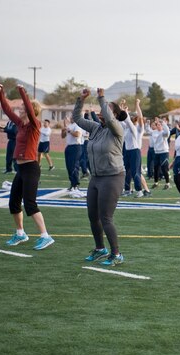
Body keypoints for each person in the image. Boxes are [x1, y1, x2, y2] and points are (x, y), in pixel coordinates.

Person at [0, 83, 54, 250]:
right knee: (14, 203)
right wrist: (1, 93)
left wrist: (22, 92)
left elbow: (29, 108)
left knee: (30, 203)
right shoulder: (20, 124)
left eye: (21, 107)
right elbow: (7, 110)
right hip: (21, 169)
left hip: (30, 168)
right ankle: (20, 233)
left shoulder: (35, 124)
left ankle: (45, 236)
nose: (19, 109)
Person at [73, 88, 126, 265]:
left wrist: (102, 97)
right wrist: (81, 99)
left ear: (114, 114)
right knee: (92, 215)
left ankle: (116, 254)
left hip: (113, 176)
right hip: (96, 177)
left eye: (107, 109)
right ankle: (100, 249)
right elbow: (77, 119)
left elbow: (109, 118)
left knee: (106, 217)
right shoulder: (96, 128)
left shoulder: (117, 129)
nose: (102, 111)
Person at [147, 117, 171, 189]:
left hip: (164, 152)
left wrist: (162, 122)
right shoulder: (154, 132)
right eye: (158, 124)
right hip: (156, 152)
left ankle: (167, 183)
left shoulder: (164, 133)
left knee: (164, 168)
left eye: (160, 125)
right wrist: (148, 124)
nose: (159, 126)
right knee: (156, 168)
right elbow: (148, 130)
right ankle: (156, 182)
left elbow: (167, 131)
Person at [61, 116, 84, 191]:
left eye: (72, 117)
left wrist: (69, 130)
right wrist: (63, 130)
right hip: (69, 146)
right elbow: (63, 136)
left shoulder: (77, 125)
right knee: (69, 166)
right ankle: (72, 183)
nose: (70, 118)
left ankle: (76, 184)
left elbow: (77, 134)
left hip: (76, 146)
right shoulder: (69, 126)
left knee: (74, 165)